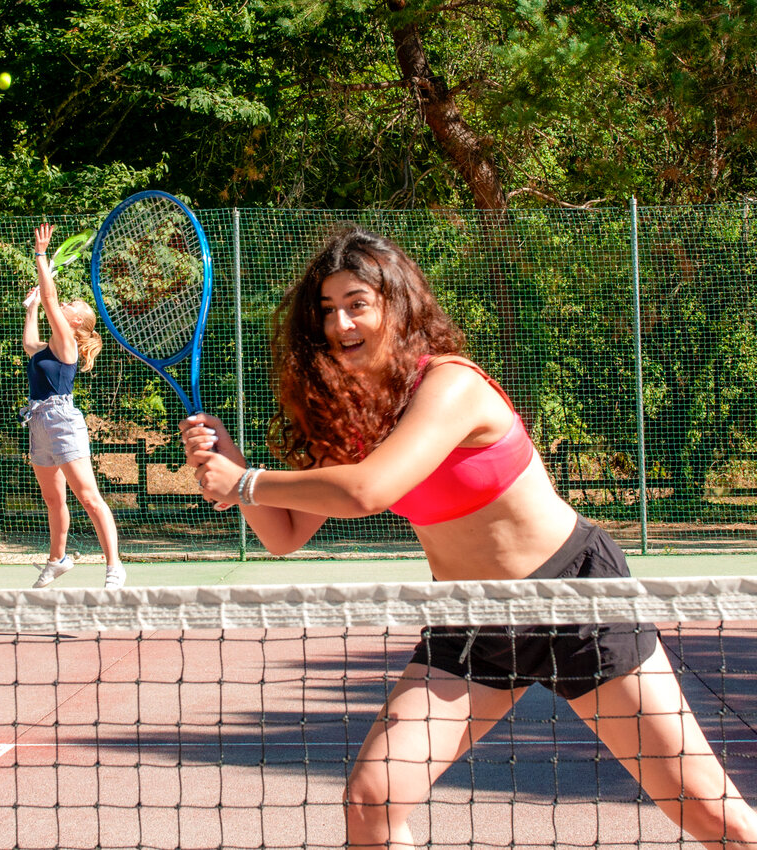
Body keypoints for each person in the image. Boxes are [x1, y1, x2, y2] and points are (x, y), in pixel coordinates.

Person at [179, 224, 757, 849]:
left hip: (576, 602)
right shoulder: (356, 414)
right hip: (470, 620)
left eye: (357, 305)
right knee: (372, 799)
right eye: (327, 311)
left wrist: (248, 481)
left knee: (709, 814)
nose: (341, 324)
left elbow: (366, 491)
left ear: (397, 306)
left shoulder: (450, 384)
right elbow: (285, 536)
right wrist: (231, 466)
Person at [21, 222, 125, 590]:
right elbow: (30, 345)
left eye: (71, 306)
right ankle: (58, 559)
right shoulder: (50, 348)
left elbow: (52, 299)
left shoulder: (66, 343)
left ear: (76, 321)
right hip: (38, 421)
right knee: (53, 498)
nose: (65, 304)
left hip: (62, 420)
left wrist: (41, 256)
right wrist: (31, 307)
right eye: (66, 301)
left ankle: (114, 567)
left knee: (89, 497)